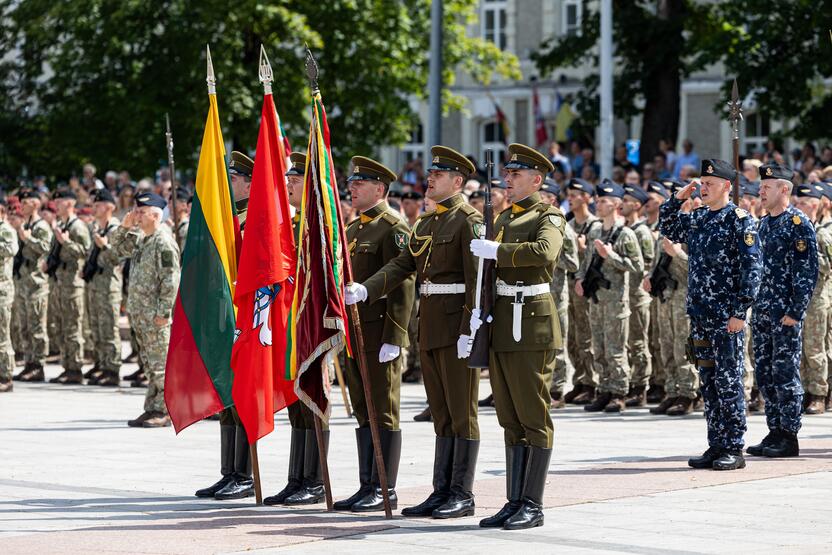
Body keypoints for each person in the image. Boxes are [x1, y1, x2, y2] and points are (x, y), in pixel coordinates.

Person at [345, 145, 482, 519]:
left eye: (438, 175)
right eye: (431, 174)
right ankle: (442, 490)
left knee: (461, 411)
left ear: (457, 181)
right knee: (441, 412)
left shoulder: (469, 220)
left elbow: (476, 281)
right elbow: (403, 265)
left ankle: (462, 492)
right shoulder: (427, 223)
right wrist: (367, 288)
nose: (429, 178)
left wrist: (472, 326)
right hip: (432, 326)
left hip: (456, 327)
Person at [469, 143, 564, 530]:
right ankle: (514, 500)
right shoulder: (505, 217)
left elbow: (543, 253)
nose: (507, 180)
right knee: (509, 415)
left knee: (533, 414)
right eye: (507, 175)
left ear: (537, 180)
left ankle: (533, 503)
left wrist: (499, 250)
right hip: (504, 321)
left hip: (532, 323)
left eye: (515, 175)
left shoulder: (550, 216)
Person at [659, 159, 762, 471]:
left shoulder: (740, 221)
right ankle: (716, 443)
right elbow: (668, 226)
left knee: (729, 380)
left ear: (726, 187)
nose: (704, 188)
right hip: (701, 314)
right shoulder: (700, 217)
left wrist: (739, 311)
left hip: (726, 317)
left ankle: (734, 446)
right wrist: (678, 198)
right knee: (708, 380)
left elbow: (752, 269)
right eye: (702, 183)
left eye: (710, 184)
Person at [332, 156, 415, 513]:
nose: (351, 188)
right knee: (364, 410)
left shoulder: (393, 227)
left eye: (359, 183)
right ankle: (368, 483)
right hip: (356, 333)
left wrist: (394, 336)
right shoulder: (354, 229)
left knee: (383, 411)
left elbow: (403, 283)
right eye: (352, 183)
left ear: (380, 188)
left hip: (379, 333)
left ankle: (385, 486)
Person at [196, 151, 256, 499]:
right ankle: (229, 471)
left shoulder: (255, 219)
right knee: (226, 395)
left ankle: (245, 474)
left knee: (242, 395)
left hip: (244, 316)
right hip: (223, 316)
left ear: (249, 182)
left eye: (233, 179)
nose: (228, 184)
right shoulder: (228, 218)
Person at [747, 164, 818, 458]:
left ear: (784, 190)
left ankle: (789, 435)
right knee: (765, 374)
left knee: (785, 374)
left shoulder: (798, 224)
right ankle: (774, 429)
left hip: (785, 314)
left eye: (767, 187)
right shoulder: (763, 224)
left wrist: (795, 311)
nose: (761, 191)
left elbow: (807, 272)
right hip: (763, 312)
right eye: (761, 187)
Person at [108, 192, 180, 428]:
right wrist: (124, 226)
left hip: (155, 316)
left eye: (141, 212)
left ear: (155, 215)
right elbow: (115, 249)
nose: (136, 214)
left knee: (160, 365)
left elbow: (171, 281)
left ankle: (166, 410)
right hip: (140, 314)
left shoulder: (163, 241)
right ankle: (152, 407)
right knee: (150, 364)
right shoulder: (141, 238)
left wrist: (164, 313)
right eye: (136, 210)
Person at [575, 182, 643, 412]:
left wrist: (611, 255)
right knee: (599, 347)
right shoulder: (594, 231)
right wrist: (580, 279)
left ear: (616, 204)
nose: (598, 203)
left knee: (615, 349)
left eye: (603, 201)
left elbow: (637, 266)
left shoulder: (626, 234)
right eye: (598, 200)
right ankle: (603, 389)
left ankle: (619, 392)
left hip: (616, 301)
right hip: (596, 299)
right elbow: (586, 262)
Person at [792, 183, 831, 415]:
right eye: (797, 203)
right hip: (798, 298)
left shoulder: (822, 235)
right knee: (800, 348)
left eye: (804, 204)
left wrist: (809, 252)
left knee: (815, 348)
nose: (799, 207)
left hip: (817, 298)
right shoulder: (793, 232)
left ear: (815, 207)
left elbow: (827, 267)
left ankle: (818, 393)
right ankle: (804, 390)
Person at [541, 178, 578, 408]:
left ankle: (557, 391)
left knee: (558, 343)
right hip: (541, 292)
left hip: (558, 295)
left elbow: (574, 263)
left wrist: (551, 254)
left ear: (552, 199)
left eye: (543, 196)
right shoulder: (539, 225)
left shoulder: (564, 227)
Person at [49, 189, 92, 385]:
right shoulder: (62, 225)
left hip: (73, 283)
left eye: (59, 202)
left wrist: (65, 242)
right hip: (61, 281)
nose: (55, 205)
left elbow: (85, 252)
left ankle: (75, 368)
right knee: (64, 326)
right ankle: (67, 366)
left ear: (69, 204)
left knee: (73, 327)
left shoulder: (78, 227)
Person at [563, 179, 600, 404]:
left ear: (587, 198)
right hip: (567, 286)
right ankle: (579, 380)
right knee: (573, 337)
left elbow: (595, 259)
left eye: (576, 194)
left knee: (587, 336)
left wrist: (583, 251)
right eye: (569, 193)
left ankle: (591, 382)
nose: (570, 197)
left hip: (586, 287)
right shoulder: (567, 224)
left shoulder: (595, 226)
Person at [10, 190, 52, 382]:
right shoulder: (25, 225)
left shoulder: (41, 226)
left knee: (36, 327)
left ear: (35, 205)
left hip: (36, 283)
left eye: (25, 202)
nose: (22, 206)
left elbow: (46, 248)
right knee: (25, 326)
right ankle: (28, 362)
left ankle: (38, 365)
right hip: (23, 282)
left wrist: (27, 238)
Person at [83, 189, 123, 386]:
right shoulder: (96, 227)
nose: (94, 208)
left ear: (110, 207)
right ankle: (101, 364)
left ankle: (112, 369)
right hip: (95, 285)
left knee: (109, 328)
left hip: (109, 286)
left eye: (98, 205)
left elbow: (118, 258)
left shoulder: (115, 229)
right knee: (97, 328)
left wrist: (105, 246)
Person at [621, 185, 655, 406]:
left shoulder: (641, 232)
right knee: (628, 342)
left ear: (636, 204)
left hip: (638, 294)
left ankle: (641, 386)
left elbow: (649, 262)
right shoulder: (625, 228)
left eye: (626, 199)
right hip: (625, 293)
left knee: (639, 342)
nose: (621, 203)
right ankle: (633, 382)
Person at [0, 194, 19, 392]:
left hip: (2, 290)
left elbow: (12, 249)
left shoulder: (6, 230)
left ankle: (6, 376)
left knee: (3, 335)